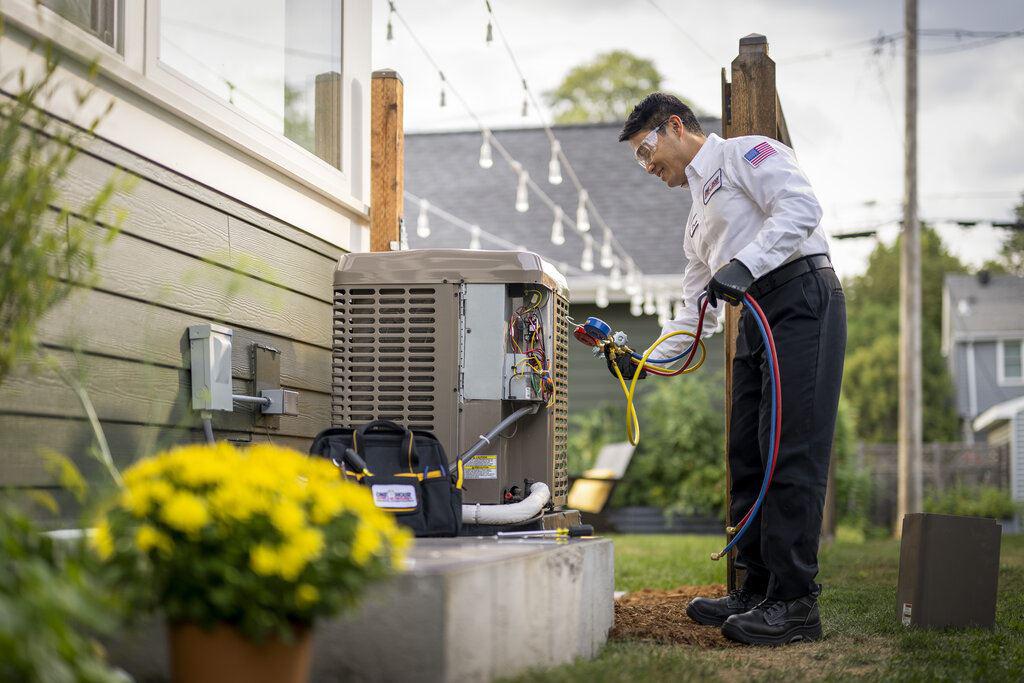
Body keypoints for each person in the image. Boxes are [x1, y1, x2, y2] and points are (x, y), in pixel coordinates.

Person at [616, 92, 847, 646]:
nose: (649, 168)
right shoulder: (697, 221)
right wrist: (645, 361)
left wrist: (746, 263)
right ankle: (755, 587)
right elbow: (696, 315)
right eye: (641, 162)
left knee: (789, 448)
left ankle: (795, 604)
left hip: (800, 299)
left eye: (648, 152)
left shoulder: (749, 154)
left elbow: (800, 209)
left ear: (675, 127)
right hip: (754, 318)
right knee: (747, 450)